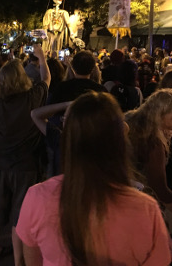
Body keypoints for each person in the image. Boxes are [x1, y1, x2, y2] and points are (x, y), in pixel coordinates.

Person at [16, 92, 171, 266]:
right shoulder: (146, 210)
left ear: (68, 140)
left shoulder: (37, 197)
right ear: (120, 144)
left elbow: (33, 260)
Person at [0, 44, 50, 265]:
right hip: (26, 166)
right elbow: (46, 80)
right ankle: (19, 260)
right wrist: (42, 58)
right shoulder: (34, 98)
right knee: (20, 214)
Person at [125, 89, 172, 206]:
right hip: (140, 200)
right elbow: (159, 189)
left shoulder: (130, 119)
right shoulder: (153, 142)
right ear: (160, 114)